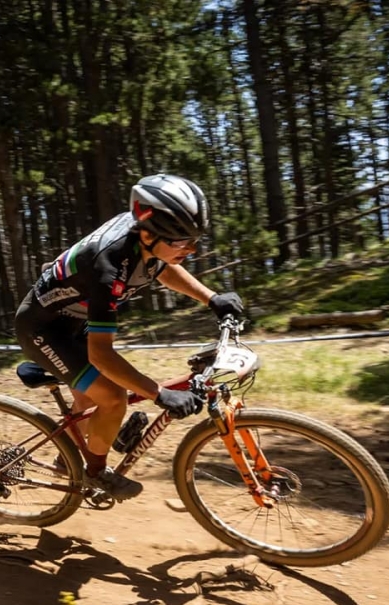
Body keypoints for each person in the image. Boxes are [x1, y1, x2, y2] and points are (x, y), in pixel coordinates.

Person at [15, 173, 244, 501]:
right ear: (148, 233)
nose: (191, 249)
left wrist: (212, 298)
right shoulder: (108, 266)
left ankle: (68, 461)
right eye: (182, 241)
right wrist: (159, 394)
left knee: (93, 400)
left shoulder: (146, 239)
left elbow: (162, 266)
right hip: (44, 329)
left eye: (194, 240)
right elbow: (101, 356)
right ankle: (96, 473)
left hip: (76, 321)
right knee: (113, 397)